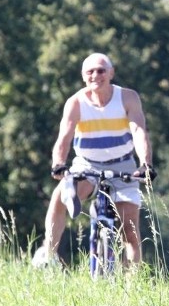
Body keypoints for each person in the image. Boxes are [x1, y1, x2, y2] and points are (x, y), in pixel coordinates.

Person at [32, 53, 155, 269]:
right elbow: (64, 137)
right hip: (87, 164)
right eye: (90, 71)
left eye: (101, 70)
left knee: (130, 230)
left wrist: (145, 164)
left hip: (123, 164)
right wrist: (59, 163)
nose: (95, 75)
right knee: (60, 197)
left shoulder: (128, 97)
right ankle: (48, 253)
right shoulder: (76, 102)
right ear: (83, 76)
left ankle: (133, 284)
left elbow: (138, 131)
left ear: (111, 73)